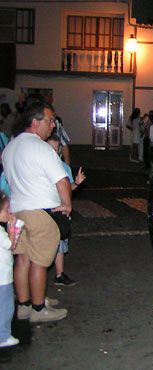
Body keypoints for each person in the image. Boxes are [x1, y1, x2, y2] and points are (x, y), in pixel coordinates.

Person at [2, 101, 70, 322]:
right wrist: (67, 204)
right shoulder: (40, 147)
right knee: (40, 262)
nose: (52, 125)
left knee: (23, 260)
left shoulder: (11, 147)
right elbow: (61, 179)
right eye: (49, 121)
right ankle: (39, 309)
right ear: (34, 122)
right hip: (40, 211)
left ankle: (24, 304)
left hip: (17, 211)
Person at [46, 134, 85, 287]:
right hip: (45, 209)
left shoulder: (64, 168)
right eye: (50, 149)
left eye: (56, 149)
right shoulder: (39, 166)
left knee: (61, 242)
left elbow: (68, 190)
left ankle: (59, 274)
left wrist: (76, 183)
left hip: (60, 210)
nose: (54, 153)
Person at [0, 192, 19, 347]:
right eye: (7, 211)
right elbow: (11, 245)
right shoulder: (0, 233)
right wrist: (12, 229)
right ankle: (3, 336)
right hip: (3, 278)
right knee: (6, 306)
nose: (9, 213)